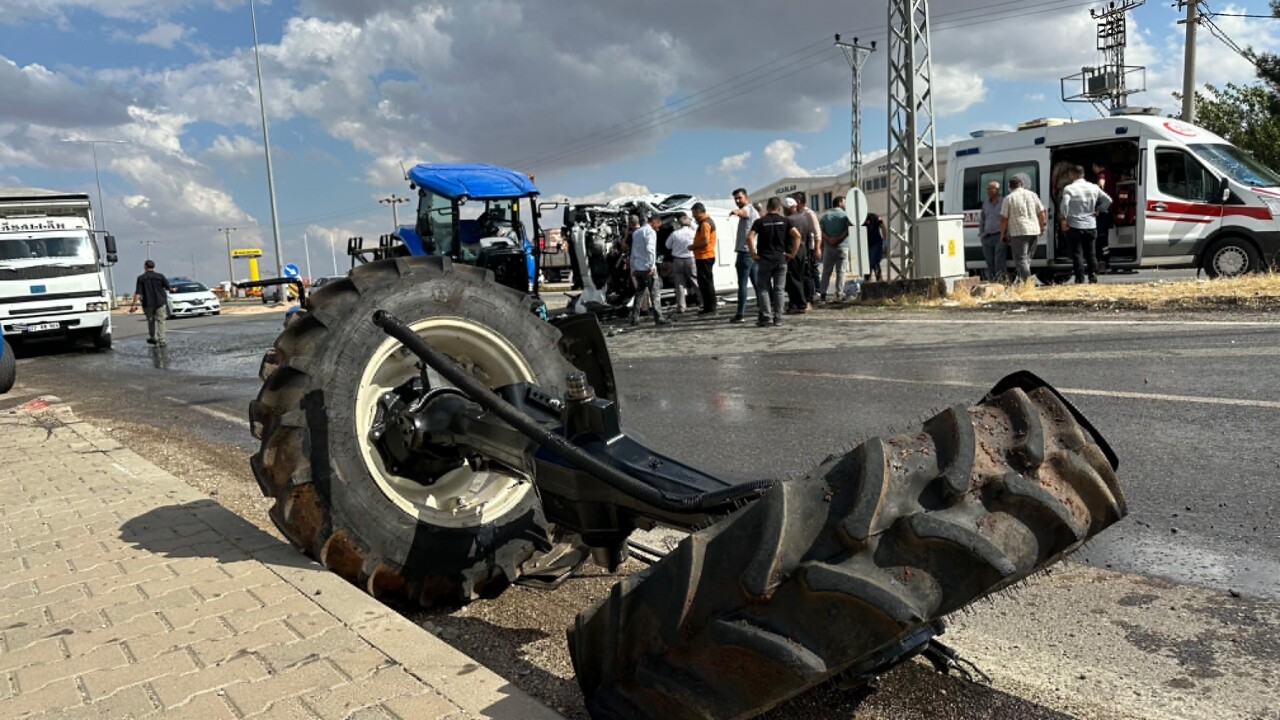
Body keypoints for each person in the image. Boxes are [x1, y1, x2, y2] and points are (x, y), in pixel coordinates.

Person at [746, 196, 801, 327]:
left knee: (763, 289)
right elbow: (797, 236)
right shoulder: (785, 221)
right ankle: (778, 318)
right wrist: (792, 253)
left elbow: (749, 237)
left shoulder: (760, 222)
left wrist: (753, 253)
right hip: (781, 259)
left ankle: (766, 317)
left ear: (767, 207)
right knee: (779, 289)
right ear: (779, 208)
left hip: (765, 259)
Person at [1059, 165, 1113, 284]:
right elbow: (1108, 200)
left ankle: (1079, 279)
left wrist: (1064, 219)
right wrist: (1099, 209)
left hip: (1074, 226)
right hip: (1091, 225)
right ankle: (1093, 277)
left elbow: (1065, 204)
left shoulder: (1069, 188)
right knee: (1091, 253)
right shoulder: (1093, 187)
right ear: (1083, 174)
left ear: (1072, 175)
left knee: (1077, 254)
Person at [999, 174, 1047, 283]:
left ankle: (1028, 284)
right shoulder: (1033, 195)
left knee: (1020, 260)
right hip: (1033, 231)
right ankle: (1023, 282)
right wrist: (1041, 226)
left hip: (1018, 232)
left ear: (1009, 187)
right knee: (1027, 260)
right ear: (1022, 184)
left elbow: (1003, 219)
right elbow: (1042, 212)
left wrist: (1002, 234)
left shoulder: (1009, 198)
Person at [629, 215, 670, 326]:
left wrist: (633, 267)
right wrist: (651, 266)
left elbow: (633, 252)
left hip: (638, 268)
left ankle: (634, 318)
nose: (659, 227)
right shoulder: (650, 232)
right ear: (654, 222)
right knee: (655, 293)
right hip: (647, 268)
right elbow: (650, 249)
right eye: (659, 224)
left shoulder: (636, 233)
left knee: (639, 293)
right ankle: (658, 317)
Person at [729, 188, 760, 324]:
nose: (737, 201)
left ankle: (740, 314)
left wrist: (736, 212)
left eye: (739, 198)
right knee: (757, 283)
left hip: (745, 253)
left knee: (742, 284)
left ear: (746, 197)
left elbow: (743, 213)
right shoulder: (756, 212)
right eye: (735, 199)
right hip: (753, 252)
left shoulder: (748, 210)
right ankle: (763, 309)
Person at [129, 259, 175, 346]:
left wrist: (134, 305)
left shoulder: (141, 278)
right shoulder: (160, 276)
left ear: (145, 266)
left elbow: (138, 293)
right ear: (153, 266)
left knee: (151, 320)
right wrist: (173, 289)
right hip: (160, 301)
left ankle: (153, 337)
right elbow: (169, 287)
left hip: (148, 303)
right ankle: (162, 340)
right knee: (161, 320)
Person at [819, 195, 851, 301]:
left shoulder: (825, 216)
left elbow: (820, 231)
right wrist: (838, 239)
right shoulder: (846, 215)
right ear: (840, 202)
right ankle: (839, 293)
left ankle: (823, 293)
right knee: (841, 271)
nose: (845, 204)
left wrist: (829, 239)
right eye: (844, 202)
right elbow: (848, 229)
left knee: (826, 271)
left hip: (828, 247)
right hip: (842, 246)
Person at [792, 193, 821, 308]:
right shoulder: (796, 214)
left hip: (809, 247)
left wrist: (817, 248)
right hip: (799, 248)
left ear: (798, 201)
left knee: (810, 272)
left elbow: (817, 231)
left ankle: (812, 296)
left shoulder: (808, 214)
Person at [665, 214, 697, 313]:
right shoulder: (693, 233)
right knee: (695, 281)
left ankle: (681, 307)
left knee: (679, 284)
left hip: (677, 260)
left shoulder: (675, 234)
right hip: (690, 259)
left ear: (679, 224)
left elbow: (667, 246)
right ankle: (703, 302)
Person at [690, 202, 718, 316]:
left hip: (705, 256)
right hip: (704, 256)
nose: (693, 216)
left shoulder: (705, 223)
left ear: (698, 211)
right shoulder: (705, 222)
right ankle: (709, 307)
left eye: (693, 213)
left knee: (706, 283)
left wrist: (693, 246)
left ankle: (710, 308)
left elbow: (705, 241)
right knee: (705, 282)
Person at [978, 180, 1006, 282]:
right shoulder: (986, 203)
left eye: (991, 189)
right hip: (987, 237)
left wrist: (1006, 234)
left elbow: (1007, 218)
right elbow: (982, 220)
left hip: (999, 235)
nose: (988, 191)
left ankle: (1002, 282)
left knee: (999, 262)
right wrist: (981, 234)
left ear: (997, 190)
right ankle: (993, 283)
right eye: (987, 189)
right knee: (989, 262)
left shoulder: (1004, 202)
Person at [1092, 160, 1112, 272]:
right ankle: (1105, 262)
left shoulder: (1102, 174)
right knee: (1104, 238)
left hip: (1103, 212)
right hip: (1109, 211)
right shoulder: (1110, 174)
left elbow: (1101, 185)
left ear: (1096, 165)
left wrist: (1097, 205)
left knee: (1101, 239)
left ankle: (1103, 263)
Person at [863, 212, 886, 281]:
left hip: (876, 242)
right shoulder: (857, 220)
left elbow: (883, 227)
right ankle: (867, 280)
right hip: (865, 244)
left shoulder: (873, 217)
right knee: (867, 264)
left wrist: (885, 242)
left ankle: (879, 278)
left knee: (874, 261)